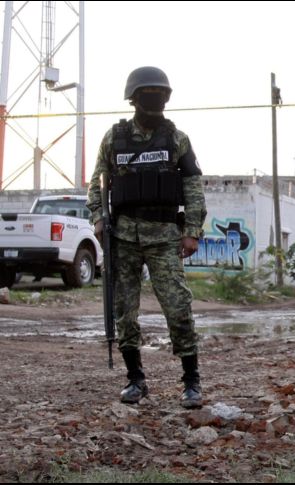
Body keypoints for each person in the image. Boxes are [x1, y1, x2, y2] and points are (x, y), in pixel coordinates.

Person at [86, 66, 208, 409]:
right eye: (147, 95)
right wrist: (98, 220)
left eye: (160, 95)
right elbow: (96, 184)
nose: (154, 101)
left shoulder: (177, 139)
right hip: (123, 236)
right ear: (134, 99)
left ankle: (191, 381)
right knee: (124, 311)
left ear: (166, 99)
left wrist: (192, 233)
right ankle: (135, 379)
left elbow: (193, 189)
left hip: (165, 237)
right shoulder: (114, 138)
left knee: (178, 307)